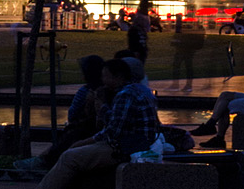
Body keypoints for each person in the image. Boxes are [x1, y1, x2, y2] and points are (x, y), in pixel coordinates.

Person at [38, 54, 160, 188]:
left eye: (105, 76)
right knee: (74, 152)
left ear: (118, 77)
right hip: (135, 144)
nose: (102, 80)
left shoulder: (126, 95)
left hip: (126, 148)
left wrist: (100, 109)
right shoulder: (140, 90)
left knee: (69, 157)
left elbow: (113, 132)